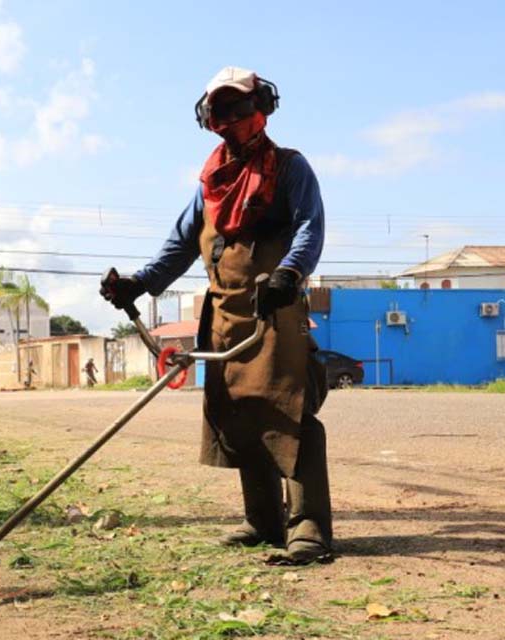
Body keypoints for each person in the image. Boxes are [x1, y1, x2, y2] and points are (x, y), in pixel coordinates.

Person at [100, 67, 331, 565]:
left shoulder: (289, 168)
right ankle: (263, 521)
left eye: (239, 107)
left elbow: (310, 227)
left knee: (290, 411)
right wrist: (139, 283)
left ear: (262, 107)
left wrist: (289, 273)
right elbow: (181, 245)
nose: (229, 118)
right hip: (225, 315)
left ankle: (308, 526)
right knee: (240, 413)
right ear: (207, 118)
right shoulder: (209, 184)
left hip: (276, 310)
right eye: (219, 110)